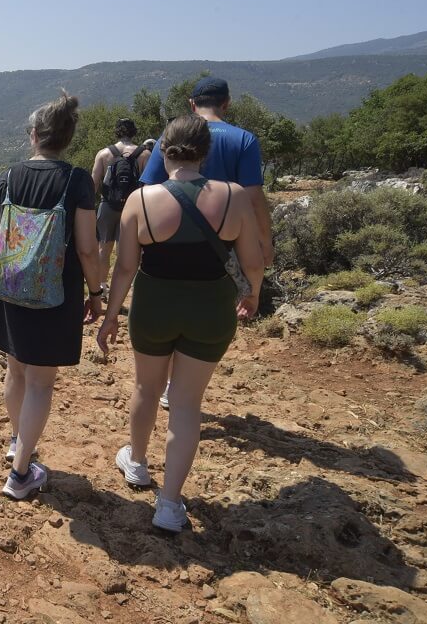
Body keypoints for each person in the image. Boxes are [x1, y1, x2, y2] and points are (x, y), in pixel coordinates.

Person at [96, 115, 264, 532]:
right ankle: (170, 506)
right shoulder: (235, 196)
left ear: (165, 150)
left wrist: (111, 315)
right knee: (187, 405)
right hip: (210, 309)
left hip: (155, 306)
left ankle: (136, 463)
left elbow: (125, 269)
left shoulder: (141, 199)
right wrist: (252, 294)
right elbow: (253, 261)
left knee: (145, 388)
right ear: (205, 151)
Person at [0, 93, 104, 500]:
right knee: (40, 384)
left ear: (34, 135)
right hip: (56, 294)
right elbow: (87, 248)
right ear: (66, 139)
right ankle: (19, 476)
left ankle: (20, 441)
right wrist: (96, 293)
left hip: (10, 288)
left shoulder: (7, 178)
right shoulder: (77, 180)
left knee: (16, 372)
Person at [141, 76, 273, 409]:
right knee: (206, 318)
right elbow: (255, 198)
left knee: (170, 315)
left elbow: (147, 190)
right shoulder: (244, 140)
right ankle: (183, 388)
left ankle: (170, 383)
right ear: (227, 103)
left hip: (169, 245)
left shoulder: (170, 138)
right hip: (223, 246)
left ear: (191, 104)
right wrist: (263, 240)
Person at [91, 118, 150, 282]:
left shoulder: (104, 154)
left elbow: (94, 183)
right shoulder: (144, 154)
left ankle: (102, 286)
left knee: (104, 248)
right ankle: (123, 287)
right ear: (134, 132)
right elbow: (149, 185)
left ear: (117, 132)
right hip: (133, 207)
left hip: (107, 206)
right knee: (126, 250)